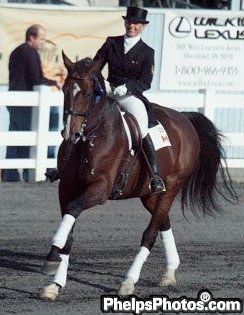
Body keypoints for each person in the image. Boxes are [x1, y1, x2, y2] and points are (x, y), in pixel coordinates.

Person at [94, 6, 166, 194]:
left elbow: (146, 82)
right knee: (84, 119)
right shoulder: (112, 43)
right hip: (109, 93)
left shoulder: (147, 52)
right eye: (129, 22)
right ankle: (64, 166)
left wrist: (127, 88)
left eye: (136, 23)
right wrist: (104, 84)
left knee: (141, 130)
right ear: (125, 23)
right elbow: (96, 66)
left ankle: (155, 176)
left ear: (142, 26)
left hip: (129, 96)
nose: (131, 26)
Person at [2, 24, 60, 182]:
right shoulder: (31, 53)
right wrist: (54, 83)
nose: (43, 43)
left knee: (14, 137)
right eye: (41, 39)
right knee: (29, 139)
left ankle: (10, 174)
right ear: (32, 37)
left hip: (14, 99)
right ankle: (27, 174)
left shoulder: (16, 52)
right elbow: (37, 80)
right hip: (27, 103)